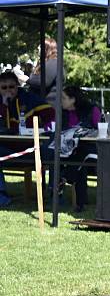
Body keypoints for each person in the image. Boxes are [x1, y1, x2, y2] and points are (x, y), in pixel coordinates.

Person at [0, 71, 55, 207]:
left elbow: (51, 115)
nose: (8, 90)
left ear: (17, 86)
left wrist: (44, 129)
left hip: (30, 148)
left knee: (53, 151)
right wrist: (4, 105)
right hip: (6, 149)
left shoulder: (29, 98)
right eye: (4, 88)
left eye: (12, 87)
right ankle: (2, 196)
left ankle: (54, 194)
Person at [56, 86, 101, 211]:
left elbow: (101, 129)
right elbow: (53, 126)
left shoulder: (92, 110)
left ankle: (65, 179)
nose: (60, 101)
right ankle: (80, 202)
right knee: (80, 163)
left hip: (92, 149)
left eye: (63, 98)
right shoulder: (62, 112)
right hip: (70, 150)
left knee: (82, 153)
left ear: (73, 99)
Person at [27, 37, 63, 105]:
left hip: (49, 106)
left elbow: (44, 82)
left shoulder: (54, 63)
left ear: (47, 48)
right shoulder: (45, 63)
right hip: (40, 104)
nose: (38, 48)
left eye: (40, 46)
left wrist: (27, 79)